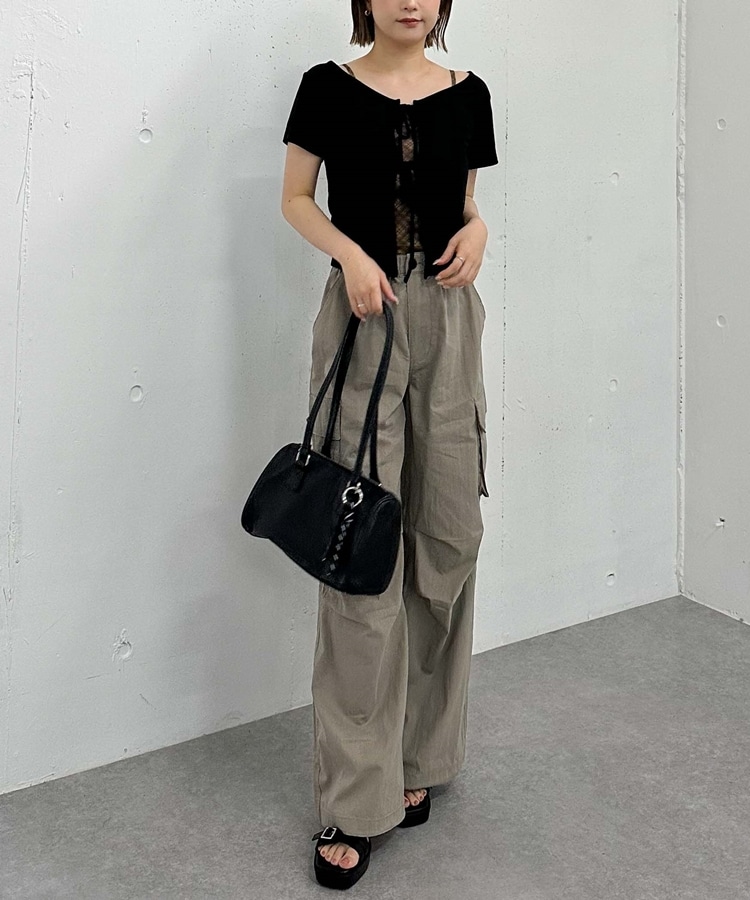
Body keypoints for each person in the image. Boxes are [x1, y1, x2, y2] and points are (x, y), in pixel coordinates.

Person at [281, 0, 498, 889]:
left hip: (447, 319)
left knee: (447, 540)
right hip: (364, 318)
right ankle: (354, 798)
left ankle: (419, 757)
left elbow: (467, 205)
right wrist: (351, 256)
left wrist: (477, 230)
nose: (413, 0)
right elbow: (296, 199)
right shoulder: (326, 88)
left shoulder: (470, 93)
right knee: (361, 553)